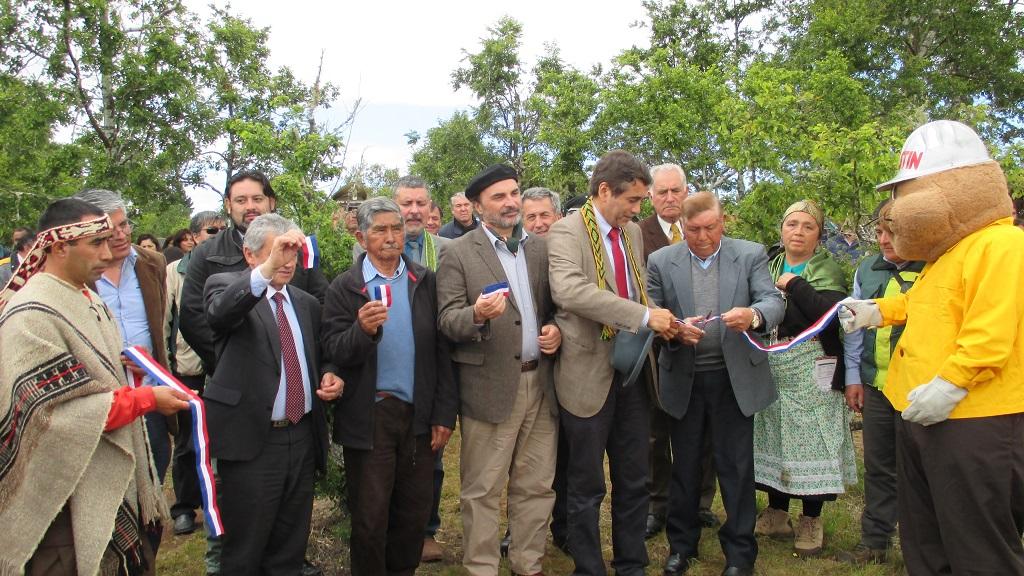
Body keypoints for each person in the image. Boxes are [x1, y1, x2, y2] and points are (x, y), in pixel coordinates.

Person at [840, 120, 1024, 575]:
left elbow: (989, 331)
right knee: (926, 537)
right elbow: (926, 303)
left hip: (973, 418)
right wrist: (877, 311)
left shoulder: (1003, 244)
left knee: (976, 545)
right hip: (920, 411)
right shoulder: (947, 253)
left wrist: (950, 384)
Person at [0, 198, 189, 576]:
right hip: (61, 500)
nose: (109, 252)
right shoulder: (32, 314)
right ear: (58, 247)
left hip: (104, 479)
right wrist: (147, 398)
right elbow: (53, 414)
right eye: (97, 243)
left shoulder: (84, 297)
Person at [547, 149, 677, 576]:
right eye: (634, 201)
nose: (639, 210)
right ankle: (589, 567)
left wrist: (663, 319)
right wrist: (643, 316)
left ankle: (631, 566)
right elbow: (571, 291)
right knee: (585, 486)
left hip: (633, 373)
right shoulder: (566, 233)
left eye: (641, 201)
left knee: (634, 479)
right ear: (604, 190)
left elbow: (636, 292)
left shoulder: (632, 233)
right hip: (586, 375)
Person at [647, 191, 784, 576]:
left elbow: (773, 301)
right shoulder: (660, 261)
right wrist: (674, 329)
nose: (703, 237)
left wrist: (754, 315)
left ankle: (740, 554)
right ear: (682, 228)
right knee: (685, 467)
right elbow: (651, 312)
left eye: (711, 227)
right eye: (693, 230)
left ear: (724, 221)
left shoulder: (751, 254)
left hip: (734, 379)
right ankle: (681, 546)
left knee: (736, 468)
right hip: (685, 380)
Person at [321, 197, 457, 575]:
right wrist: (362, 330)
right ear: (362, 237)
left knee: (413, 514)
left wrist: (444, 413)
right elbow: (332, 350)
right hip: (371, 417)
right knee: (370, 517)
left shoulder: (425, 281)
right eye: (379, 230)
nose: (390, 237)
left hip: (418, 414)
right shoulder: (345, 288)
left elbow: (442, 353)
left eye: (396, 228)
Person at [437, 165, 561, 576]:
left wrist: (555, 330)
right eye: (499, 197)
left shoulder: (539, 249)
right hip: (488, 387)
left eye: (514, 193)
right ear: (476, 206)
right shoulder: (458, 253)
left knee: (536, 485)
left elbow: (554, 309)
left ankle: (528, 563)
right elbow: (447, 320)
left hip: (540, 384)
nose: (510, 202)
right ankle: (482, 567)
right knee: (482, 489)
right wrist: (474, 314)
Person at [202, 214, 342, 575]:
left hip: (301, 435)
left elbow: (321, 354)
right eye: (278, 252)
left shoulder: (305, 303)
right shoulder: (225, 286)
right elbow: (220, 314)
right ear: (251, 256)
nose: (287, 261)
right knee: (246, 547)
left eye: (293, 252)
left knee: (290, 543)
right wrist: (264, 272)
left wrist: (330, 374)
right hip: (252, 442)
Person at [73, 188, 176, 555]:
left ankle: (144, 560)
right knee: (109, 505)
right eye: (109, 228)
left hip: (151, 402)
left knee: (150, 500)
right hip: (102, 406)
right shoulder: (77, 271)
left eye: (124, 223)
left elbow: (162, 325)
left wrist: (149, 360)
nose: (120, 234)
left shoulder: (152, 263)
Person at [752, 199, 857, 557]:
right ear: (781, 230)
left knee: (812, 437)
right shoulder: (768, 264)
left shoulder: (826, 269)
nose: (798, 231)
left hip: (811, 363)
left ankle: (811, 518)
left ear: (819, 235)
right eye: (792, 224)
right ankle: (777, 511)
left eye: (807, 226)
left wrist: (795, 284)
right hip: (772, 361)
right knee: (776, 432)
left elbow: (825, 314)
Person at [836, 199, 923, 565]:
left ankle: (923, 548)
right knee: (879, 464)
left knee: (920, 469)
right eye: (880, 232)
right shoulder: (867, 268)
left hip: (920, 388)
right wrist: (854, 377)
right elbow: (855, 329)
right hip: (876, 386)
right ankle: (875, 541)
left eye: (892, 233)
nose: (884, 240)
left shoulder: (933, 267)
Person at [180, 170, 329, 374]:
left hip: (296, 373)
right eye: (241, 200)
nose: (250, 206)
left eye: (257, 199)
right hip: (233, 381)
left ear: (271, 202)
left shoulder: (298, 246)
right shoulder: (206, 253)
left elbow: (321, 305)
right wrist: (233, 363)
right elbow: (193, 320)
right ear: (228, 205)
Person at [637, 163, 717, 540]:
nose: (669, 198)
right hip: (655, 350)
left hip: (704, 347)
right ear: (650, 197)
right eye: (661, 192)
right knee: (656, 432)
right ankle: (658, 504)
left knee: (702, 431)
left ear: (687, 192)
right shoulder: (636, 234)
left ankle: (701, 502)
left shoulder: (703, 230)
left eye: (676, 191)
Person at [165, 210, 225, 536]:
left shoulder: (232, 265)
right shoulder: (175, 271)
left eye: (221, 230)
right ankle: (184, 507)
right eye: (210, 231)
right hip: (187, 367)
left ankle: (217, 502)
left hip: (222, 364)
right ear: (193, 236)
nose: (216, 235)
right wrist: (165, 366)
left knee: (218, 438)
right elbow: (166, 317)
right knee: (188, 441)